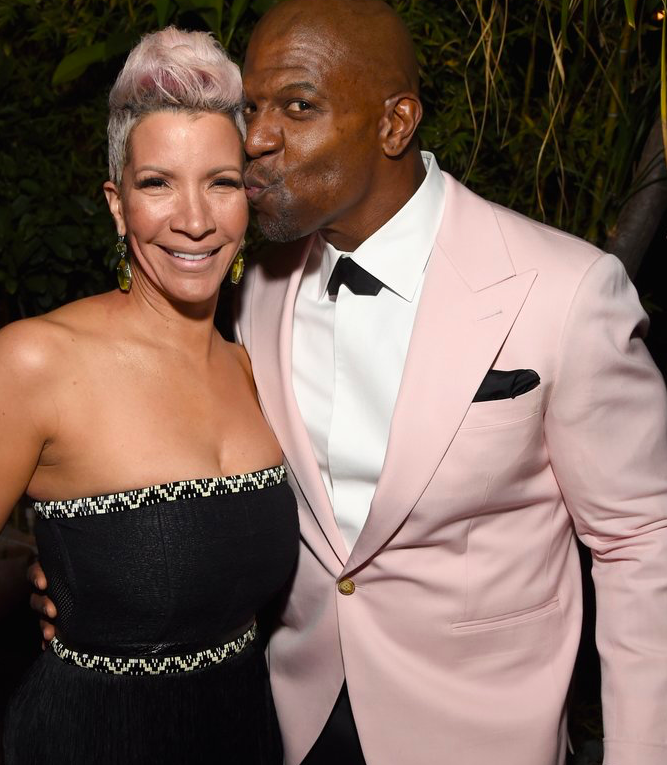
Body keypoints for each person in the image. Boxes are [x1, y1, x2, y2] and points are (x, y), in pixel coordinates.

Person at [33, 2, 667, 764]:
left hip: (483, 734)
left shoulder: (566, 291)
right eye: (253, 109)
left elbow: (642, 542)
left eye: (298, 107)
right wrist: (106, 572)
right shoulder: (255, 285)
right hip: (288, 721)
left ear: (395, 123)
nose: (258, 139)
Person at [0, 27, 298, 765]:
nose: (194, 218)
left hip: (245, 736)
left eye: (221, 182)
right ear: (118, 205)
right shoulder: (33, 362)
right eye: (157, 183)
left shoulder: (257, 366)